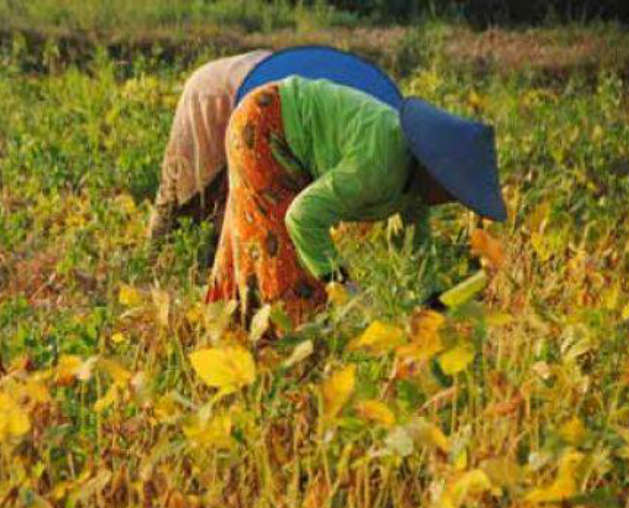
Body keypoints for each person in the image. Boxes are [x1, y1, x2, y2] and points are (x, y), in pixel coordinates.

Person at [207, 77, 507, 325]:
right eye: (451, 190)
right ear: (435, 171)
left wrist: (432, 304)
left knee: (252, 241)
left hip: (277, 122)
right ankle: (280, 359)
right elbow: (302, 217)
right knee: (283, 260)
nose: (448, 200)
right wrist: (340, 282)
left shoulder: (415, 186)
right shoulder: (379, 163)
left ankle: (222, 326)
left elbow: (414, 247)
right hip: (264, 122)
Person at [149, 50, 271, 251]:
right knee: (181, 182)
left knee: (234, 192)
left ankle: (212, 258)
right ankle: (153, 257)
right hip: (209, 95)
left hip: (240, 91)